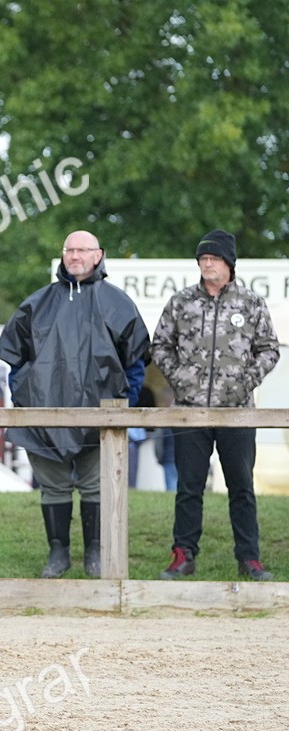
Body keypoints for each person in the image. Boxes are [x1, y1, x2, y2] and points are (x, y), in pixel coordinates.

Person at [0, 231, 149, 579]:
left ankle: (95, 552)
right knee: (54, 486)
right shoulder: (38, 303)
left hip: (100, 418)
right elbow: (15, 361)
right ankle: (58, 553)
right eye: (69, 249)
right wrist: (25, 398)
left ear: (99, 255)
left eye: (82, 249)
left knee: (96, 485)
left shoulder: (117, 303)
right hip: (45, 419)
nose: (75, 255)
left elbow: (136, 362)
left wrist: (124, 404)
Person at [151, 229, 281, 581]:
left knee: (241, 486)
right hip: (190, 410)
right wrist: (182, 379)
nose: (207, 263)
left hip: (237, 411)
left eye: (214, 258)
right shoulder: (181, 302)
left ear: (229, 264)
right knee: (188, 487)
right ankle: (183, 554)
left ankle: (249, 559)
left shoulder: (250, 303)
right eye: (202, 259)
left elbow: (270, 349)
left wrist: (245, 381)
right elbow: (160, 345)